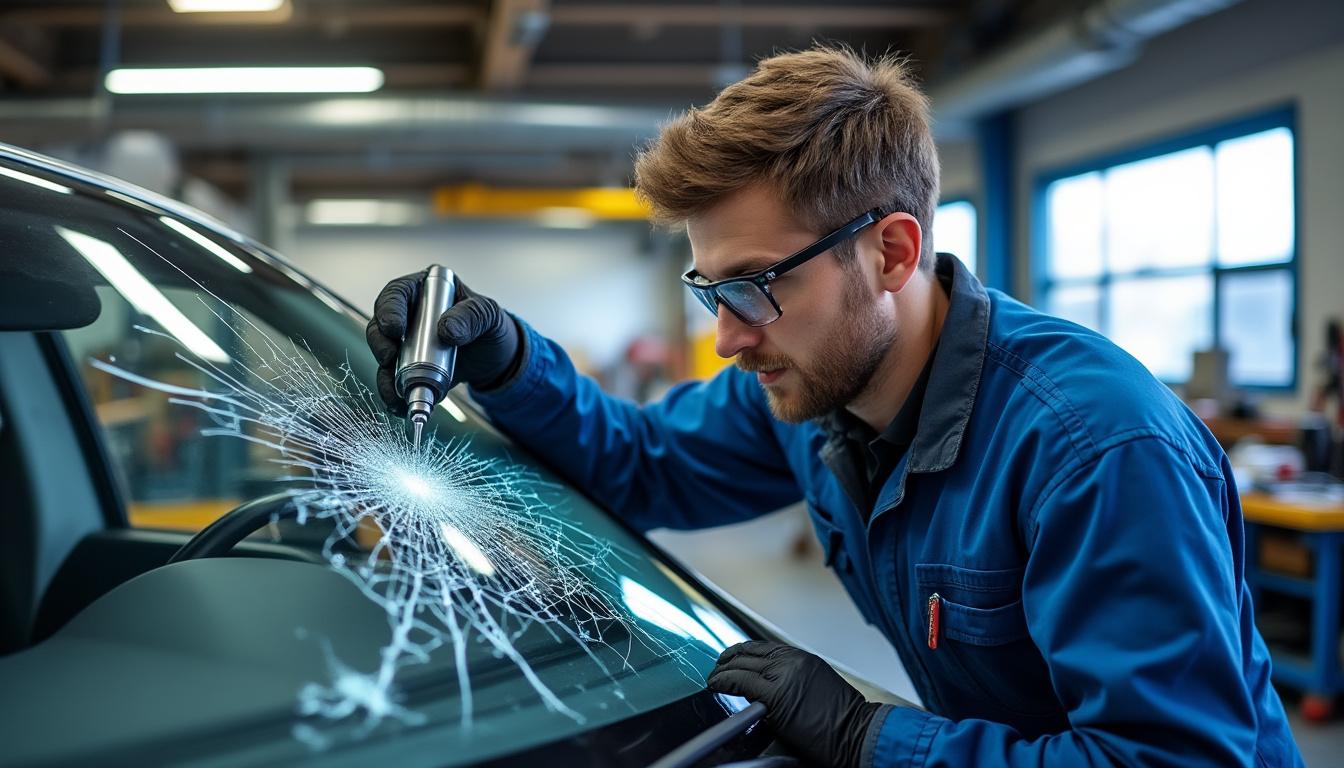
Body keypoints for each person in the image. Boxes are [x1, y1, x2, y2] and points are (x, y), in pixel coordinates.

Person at [366, 46, 1303, 768]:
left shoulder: (1093, 451)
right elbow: (642, 464)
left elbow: (1168, 758)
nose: (730, 339)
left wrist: (871, 741)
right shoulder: (815, 393)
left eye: (756, 286)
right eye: (712, 292)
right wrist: (505, 356)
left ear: (892, 253)